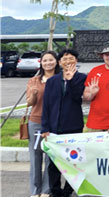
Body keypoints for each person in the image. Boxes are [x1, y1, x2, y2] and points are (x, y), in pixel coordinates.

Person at [41, 49, 86, 197]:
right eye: (64, 59)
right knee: (53, 163)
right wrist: (45, 127)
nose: (68, 61)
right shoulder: (52, 81)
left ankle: (68, 191)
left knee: (73, 161)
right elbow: (46, 105)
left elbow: (77, 97)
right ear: (60, 62)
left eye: (71, 58)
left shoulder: (81, 78)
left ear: (76, 61)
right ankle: (55, 191)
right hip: (54, 128)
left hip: (73, 126)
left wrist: (71, 79)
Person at [26, 51, 60, 197]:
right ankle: (35, 191)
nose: (48, 63)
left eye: (51, 60)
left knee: (50, 158)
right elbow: (30, 103)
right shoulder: (35, 80)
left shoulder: (61, 80)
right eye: (45, 60)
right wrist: (33, 94)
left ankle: (46, 191)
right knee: (35, 157)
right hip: (36, 122)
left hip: (55, 124)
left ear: (56, 61)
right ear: (41, 63)